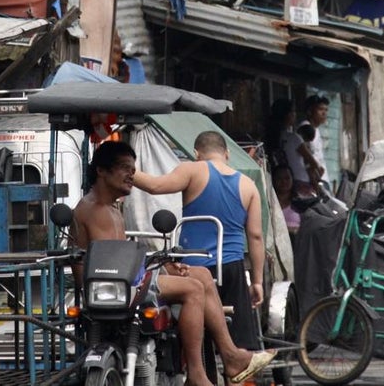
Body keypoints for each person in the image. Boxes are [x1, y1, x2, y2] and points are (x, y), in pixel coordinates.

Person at [72, 141, 275, 386]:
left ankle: (230, 355)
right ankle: (198, 373)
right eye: (125, 168)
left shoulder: (112, 208)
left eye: (133, 170)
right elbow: (112, 266)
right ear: (101, 171)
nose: (132, 175)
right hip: (112, 290)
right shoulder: (94, 209)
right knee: (193, 289)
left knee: (201, 274)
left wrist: (164, 266)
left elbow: (122, 259)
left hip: (123, 283)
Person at [131, 131, 266, 350]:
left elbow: (155, 186)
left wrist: (123, 169)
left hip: (194, 268)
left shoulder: (192, 170)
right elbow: (256, 236)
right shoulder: (249, 185)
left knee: (195, 340)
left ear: (196, 153)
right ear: (227, 153)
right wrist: (257, 281)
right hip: (232, 268)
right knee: (238, 344)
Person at [284, 96, 330, 192]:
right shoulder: (306, 129)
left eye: (326, 110)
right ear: (310, 111)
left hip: (318, 179)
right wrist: (316, 183)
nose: (324, 113)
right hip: (310, 181)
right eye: (320, 109)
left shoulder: (315, 129)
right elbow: (308, 162)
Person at [272, 165, 301, 235]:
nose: (284, 181)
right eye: (279, 178)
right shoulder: (269, 202)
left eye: (287, 178)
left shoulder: (301, 202)